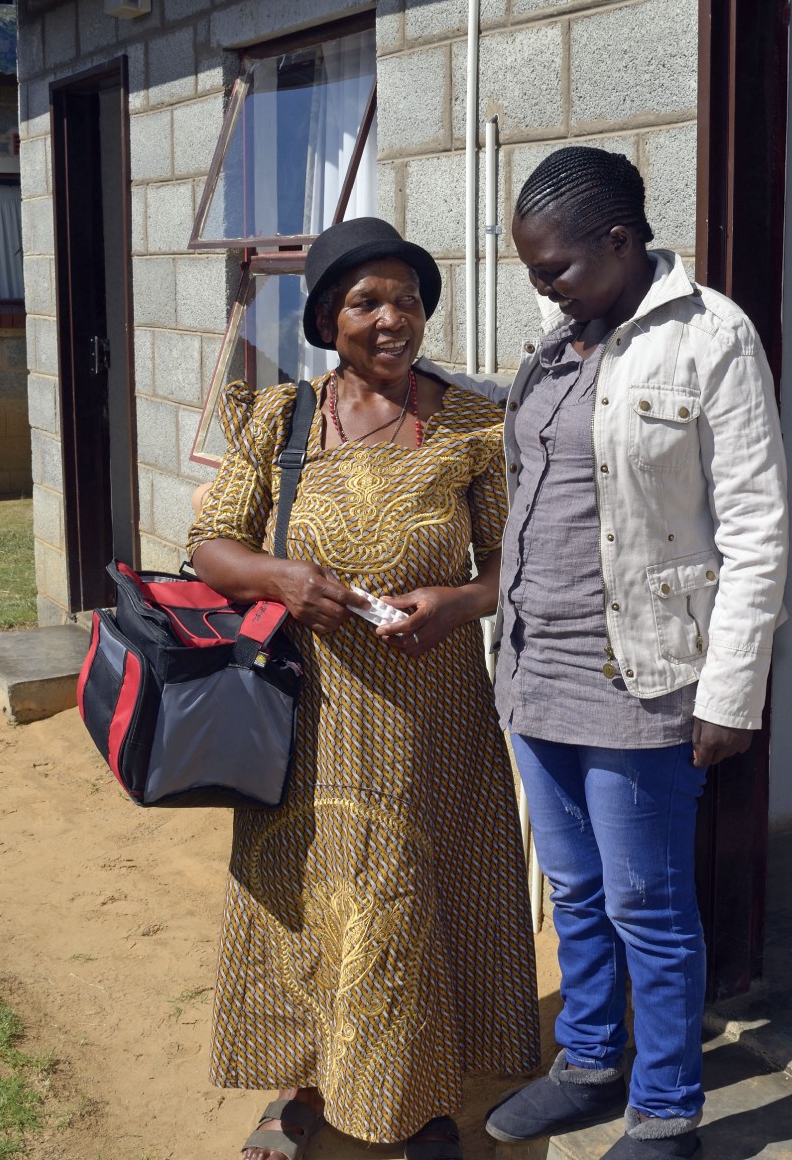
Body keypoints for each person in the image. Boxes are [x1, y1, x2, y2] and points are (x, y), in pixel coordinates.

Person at [187, 217, 539, 1160]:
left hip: (433, 712)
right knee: (305, 886)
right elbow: (210, 544)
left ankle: (421, 1096)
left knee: (404, 890)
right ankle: (302, 1081)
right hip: (308, 711)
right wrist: (281, 579)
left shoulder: (471, 423)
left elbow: (517, 563)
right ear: (327, 318)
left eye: (409, 299)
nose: (394, 319)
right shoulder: (283, 418)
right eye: (367, 301)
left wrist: (462, 600)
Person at [483, 148, 790, 1159]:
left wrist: (730, 695)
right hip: (535, 668)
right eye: (535, 273)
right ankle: (587, 1062)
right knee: (571, 891)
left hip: (642, 676)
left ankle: (665, 1111)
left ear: (620, 242)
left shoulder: (711, 337)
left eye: (556, 269)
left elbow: (756, 528)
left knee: (646, 905)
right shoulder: (556, 346)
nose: (544, 289)